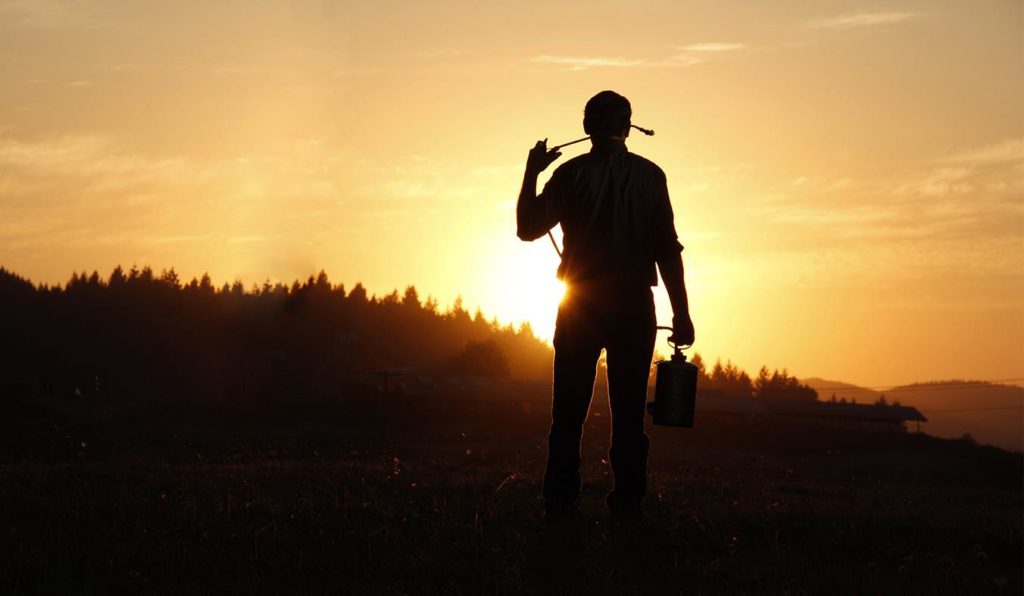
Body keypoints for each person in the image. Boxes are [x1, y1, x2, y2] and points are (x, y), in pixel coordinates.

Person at [516, 90, 695, 519]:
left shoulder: (571, 174)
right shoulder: (652, 177)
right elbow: (667, 249)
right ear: (627, 126)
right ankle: (628, 501)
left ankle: (559, 500)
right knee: (630, 412)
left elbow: (527, 229)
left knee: (568, 412)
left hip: (580, 304)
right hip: (634, 305)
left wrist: (530, 173)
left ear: (586, 128)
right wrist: (682, 312)